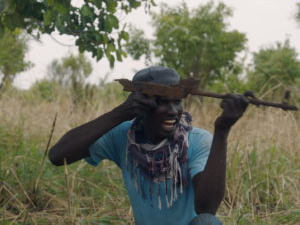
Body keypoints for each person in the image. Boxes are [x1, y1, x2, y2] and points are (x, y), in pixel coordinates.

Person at [49, 66, 249, 225]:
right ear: (139, 106)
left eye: (177, 102)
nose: (173, 111)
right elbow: (58, 156)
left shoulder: (197, 140)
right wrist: (119, 114)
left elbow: (207, 208)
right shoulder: (125, 137)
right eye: (162, 102)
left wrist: (221, 132)